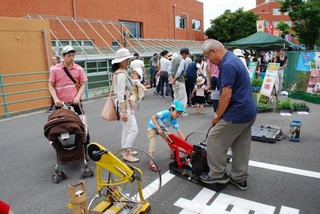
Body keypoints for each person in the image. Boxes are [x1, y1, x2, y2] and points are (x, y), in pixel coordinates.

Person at [200, 39, 258, 191]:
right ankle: (240, 178)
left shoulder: (227, 65)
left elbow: (226, 95)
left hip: (237, 112)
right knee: (240, 144)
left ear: (213, 52)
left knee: (214, 138)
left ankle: (217, 175)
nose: (209, 61)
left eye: (208, 57)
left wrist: (217, 115)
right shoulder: (233, 59)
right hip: (248, 111)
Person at [48, 45, 90, 143]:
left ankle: (85, 143)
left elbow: (83, 84)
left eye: (73, 56)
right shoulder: (55, 69)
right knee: (55, 124)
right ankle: (56, 144)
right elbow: (50, 86)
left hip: (75, 102)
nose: (71, 58)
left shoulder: (78, 69)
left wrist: (77, 97)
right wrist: (55, 99)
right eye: (69, 55)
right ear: (63, 56)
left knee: (82, 123)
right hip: (60, 103)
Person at [111, 48, 139, 162]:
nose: (128, 61)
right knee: (133, 130)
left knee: (127, 129)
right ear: (120, 61)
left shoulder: (119, 72)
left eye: (128, 59)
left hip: (122, 104)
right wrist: (123, 111)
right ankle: (127, 153)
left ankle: (125, 150)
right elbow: (121, 94)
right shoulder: (122, 74)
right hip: (124, 104)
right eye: (126, 59)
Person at [147, 100, 185, 172]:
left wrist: (184, 141)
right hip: (152, 127)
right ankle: (151, 164)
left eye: (180, 113)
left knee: (172, 140)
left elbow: (178, 130)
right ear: (171, 109)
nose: (178, 115)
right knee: (152, 146)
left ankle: (172, 154)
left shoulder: (175, 119)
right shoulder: (165, 113)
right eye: (177, 112)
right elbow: (153, 117)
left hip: (162, 128)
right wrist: (158, 127)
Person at [170, 48, 189, 116]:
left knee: (176, 97)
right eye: (186, 55)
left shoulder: (174, 59)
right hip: (179, 80)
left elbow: (170, 70)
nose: (186, 56)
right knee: (183, 97)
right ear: (184, 54)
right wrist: (175, 78)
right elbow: (179, 71)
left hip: (173, 81)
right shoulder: (182, 60)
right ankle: (181, 112)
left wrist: (172, 79)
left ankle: (173, 111)